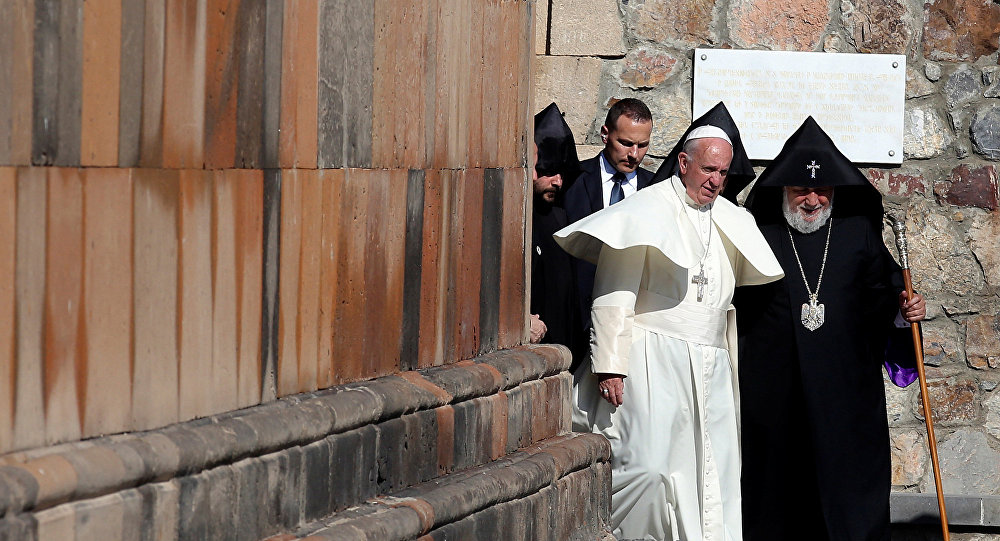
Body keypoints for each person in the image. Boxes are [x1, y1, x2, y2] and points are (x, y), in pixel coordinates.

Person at [555, 124, 783, 540]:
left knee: (712, 473)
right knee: (651, 471)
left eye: (723, 173)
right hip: (651, 360)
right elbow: (613, 292)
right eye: (708, 169)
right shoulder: (647, 209)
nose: (715, 181)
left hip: (711, 364)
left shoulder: (731, 218)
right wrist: (609, 365)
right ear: (683, 162)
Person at [734, 117, 925, 541]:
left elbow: (886, 297)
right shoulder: (758, 233)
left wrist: (904, 310)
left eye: (822, 190)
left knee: (847, 502)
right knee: (776, 502)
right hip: (774, 394)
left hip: (846, 395)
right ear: (783, 188)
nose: (813, 199)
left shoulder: (857, 233)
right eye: (801, 189)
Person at [563, 98, 657, 368]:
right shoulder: (574, 181)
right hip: (575, 321)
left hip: (635, 326)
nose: (635, 154)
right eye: (626, 143)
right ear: (605, 134)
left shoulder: (656, 190)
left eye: (643, 145)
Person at [529, 103, 583, 355]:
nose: (557, 182)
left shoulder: (563, 217)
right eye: (549, 172)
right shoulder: (517, 216)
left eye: (561, 173)